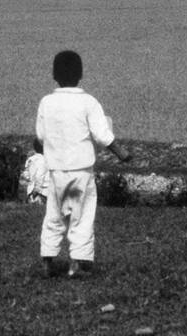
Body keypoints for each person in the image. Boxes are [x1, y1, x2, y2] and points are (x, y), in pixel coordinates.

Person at [36, 50, 130, 278]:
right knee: (82, 216)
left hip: (56, 171)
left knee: (54, 216)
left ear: (54, 75)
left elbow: (40, 136)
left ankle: (47, 261)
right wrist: (122, 153)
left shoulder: (46, 102)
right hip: (81, 172)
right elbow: (102, 135)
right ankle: (76, 263)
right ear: (81, 74)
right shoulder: (88, 102)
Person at [19, 138, 49, 203]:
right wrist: (37, 190)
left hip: (33, 191)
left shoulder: (31, 159)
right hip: (41, 192)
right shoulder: (44, 160)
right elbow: (40, 176)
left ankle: (31, 199)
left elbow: (25, 176)